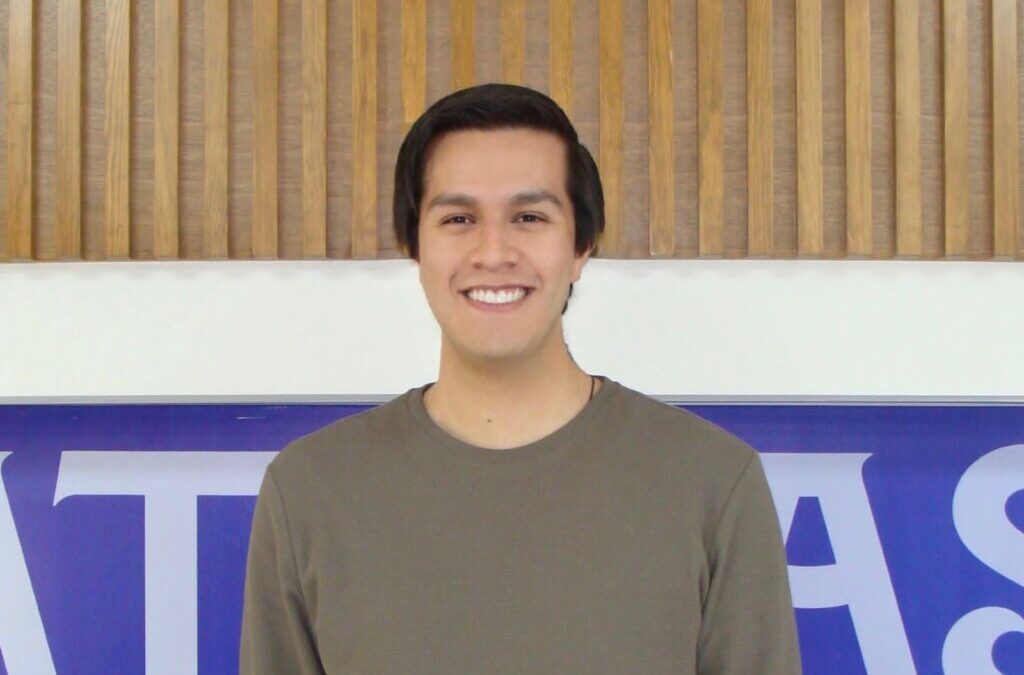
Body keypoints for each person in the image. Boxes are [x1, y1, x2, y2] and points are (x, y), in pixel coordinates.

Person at [240, 83, 801, 674]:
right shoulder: (309, 493)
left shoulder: (713, 484)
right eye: (458, 219)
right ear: (414, 246)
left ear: (581, 246)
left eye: (529, 217)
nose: (493, 252)